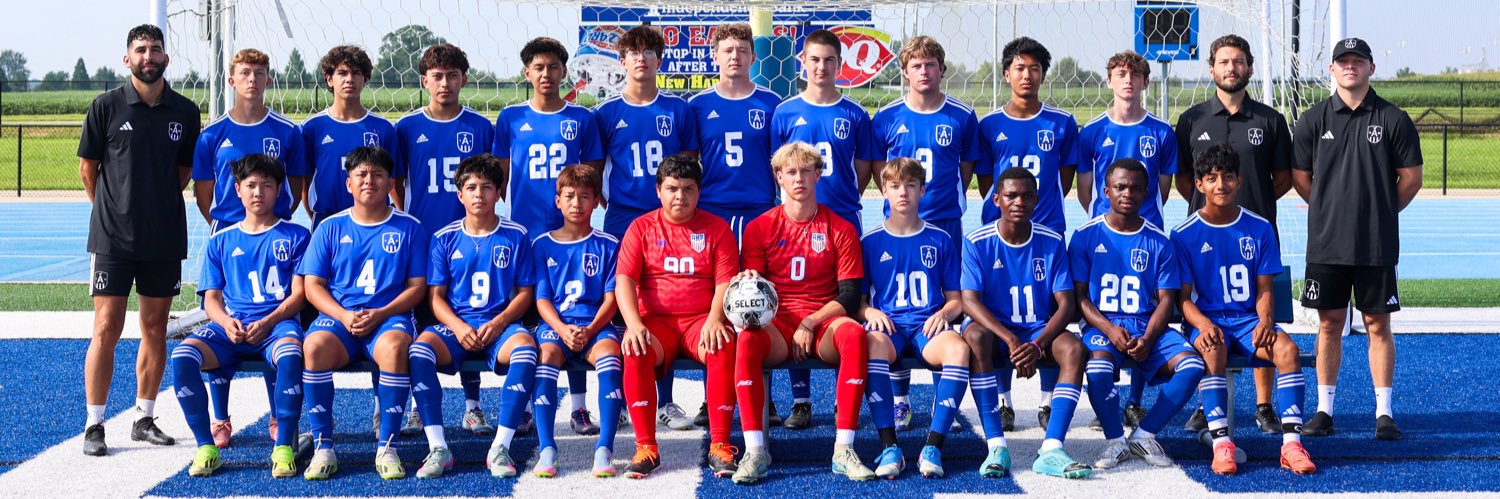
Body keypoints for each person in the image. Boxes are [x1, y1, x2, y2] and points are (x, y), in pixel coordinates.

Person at [78, 23, 202, 457]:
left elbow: (183, 173)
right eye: (140, 50)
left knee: (153, 328)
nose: (148, 56)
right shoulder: (106, 106)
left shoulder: (185, 111)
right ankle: (94, 424)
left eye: (155, 49)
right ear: (127, 58)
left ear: (166, 58)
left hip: (163, 239)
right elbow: (88, 171)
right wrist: (115, 213)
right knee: (106, 328)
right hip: (113, 241)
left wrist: (153, 208)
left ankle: (143, 417)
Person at [1291, 37, 1423, 441]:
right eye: (1342, 61)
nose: (1350, 67)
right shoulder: (1313, 119)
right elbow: (1301, 179)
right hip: (1327, 245)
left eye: (1358, 61)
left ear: (1371, 68)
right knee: (1330, 324)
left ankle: (1383, 412)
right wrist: (1333, 211)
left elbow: (1411, 179)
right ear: (1331, 70)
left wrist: (1378, 213)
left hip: (1376, 245)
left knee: (1376, 324)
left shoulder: (1394, 118)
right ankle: (1324, 410)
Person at [1173, 35, 1295, 435]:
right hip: (1205, 239)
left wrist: (1248, 210)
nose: (1231, 68)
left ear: (1249, 67)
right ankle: (1211, 408)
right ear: (1211, 69)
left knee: (1260, 320)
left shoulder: (1270, 120)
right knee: (1210, 317)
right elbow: (1185, 180)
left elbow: (1281, 178)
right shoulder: (1192, 120)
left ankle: (1263, 405)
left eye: (1238, 61)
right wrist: (1217, 205)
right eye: (1224, 61)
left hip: (1255, 237)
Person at [1172, 144, 1316, 475]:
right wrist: (1204, 325)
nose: (1220, 184)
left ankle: (1291, 444)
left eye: (1227, 177)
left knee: (1288, 351)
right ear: (1199, 186)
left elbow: (1265, 288)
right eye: (1211, 178)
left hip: (1248, 321)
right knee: (1213, 349)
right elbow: (1182, 300)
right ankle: (1222, 444)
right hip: (1207, 322)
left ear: (1238, 181)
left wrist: (1266, 320)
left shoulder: (1260, 228)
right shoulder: (1183, 234)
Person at [739, 142, 875, 482]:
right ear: (779, 177)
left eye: (805, 171)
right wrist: (747, 281)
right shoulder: (759, 228)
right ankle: (755, 452)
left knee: (855, 334)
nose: (798, 178)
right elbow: (754, 287)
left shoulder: (840, 228)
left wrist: (811, 322)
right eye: (790, 172)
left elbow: (849, 294)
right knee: (746, 339)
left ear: (818, 174)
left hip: (824, 320)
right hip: (779, 321)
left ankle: (843, 449)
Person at [492, 36, 606, 437]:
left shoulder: (582, 119)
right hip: (526, 233)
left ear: (564, 71)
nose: (546, 74)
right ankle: (523, 407)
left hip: (570, 232)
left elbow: (588, 175)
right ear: (527, 72)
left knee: (575, 310)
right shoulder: (509, 118)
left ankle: (578, 408)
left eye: (554, 66)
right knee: (528, 316)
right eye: (538, 67)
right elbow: (499, 175)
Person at [170, 154, 309, 478]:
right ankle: (206, 446)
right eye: (251, 185)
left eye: (267, 185)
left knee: (290, 354)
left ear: (279, 191)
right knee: (182, 355)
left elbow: (300, 295)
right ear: (237, 190)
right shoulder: (220, 240)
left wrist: (269, 322)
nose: (258, 192)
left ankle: (284, 446)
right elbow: (212, 300)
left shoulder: (296, 236)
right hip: (231, 328)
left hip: (277, 326)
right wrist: (224, 322)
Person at [296, 145, 428, 480]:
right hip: (341, 317)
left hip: (388, 317)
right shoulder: (329, 227)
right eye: (361, 175)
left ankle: (387, 447)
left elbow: (416, 288)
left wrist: (381, 312)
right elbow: (313, 286)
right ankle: (324, 446)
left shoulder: (409, 227)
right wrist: (342, 315)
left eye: (378, 175)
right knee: (313, 347)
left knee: (397, 348)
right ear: (349, 184)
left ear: (390, 183)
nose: (369, 180)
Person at [769, 28, 877, 429]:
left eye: (829, 60)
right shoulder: (784, 112)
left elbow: (862, 171)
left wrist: (837, 204)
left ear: (840, 65)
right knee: (796, 298)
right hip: (796, 223)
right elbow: (778, 166)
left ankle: (840, 400)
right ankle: (800, 400)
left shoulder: (854, 114)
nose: (821, 66)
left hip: (842, 219)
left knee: (841, 304)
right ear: (802, 64)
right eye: (814, 59)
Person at [593, 25, 700, 432]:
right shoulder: (606, 113)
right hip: (624, 218)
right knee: (626, 305)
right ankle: (624, 396)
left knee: (661, 303)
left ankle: (666, 401)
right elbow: (596, 168)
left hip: (669, 220)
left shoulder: (678, 110)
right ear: (622, 62)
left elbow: (685, 168)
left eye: (648, 52)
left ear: (660, 60)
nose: (640, 59)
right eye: (632, 53)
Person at [871, 35, 981, 427]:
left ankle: (941, 399)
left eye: (930, 64)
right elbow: (878, 172)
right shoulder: (885, 117)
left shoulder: (963, 116)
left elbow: (965, 170)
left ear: (941, 69)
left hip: (944, 222)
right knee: (894, 305)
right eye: (916, 65)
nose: (924, 71)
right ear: (905, 72)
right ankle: (900, 399)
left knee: (939, 309)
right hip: (898, 227)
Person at [408, 154, 537, 479]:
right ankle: (438, 447)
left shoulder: (516, 235)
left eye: (487, 187)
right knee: (419, 351)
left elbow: (525, 293)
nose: (479, 194)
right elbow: (435, 298)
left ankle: (500, 447)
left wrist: (499, 322)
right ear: (460, 195)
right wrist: (458, 325)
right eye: (471, 187)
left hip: (499, 323)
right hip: (457, 325)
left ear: (498, 192)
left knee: (526, 350)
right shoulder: (444, 237)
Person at [974, 36, 1080, 432]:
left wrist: (1039, 208)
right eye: (1020, 68)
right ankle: (1003, 402)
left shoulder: (1062, 122)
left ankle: (1048, 401)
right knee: (999, 310)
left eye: (1035, 69)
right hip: (1000, 233)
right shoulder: (989, 125)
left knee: (1050, 314)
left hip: (1047, 230)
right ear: (1006, 74)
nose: (1027, 75)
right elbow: (989, 182)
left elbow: (1063, 179)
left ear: (1043, 75)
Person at [1069, 159, 1202, 470]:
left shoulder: (1159, 241)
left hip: (1147, 323)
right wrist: (1109, 329)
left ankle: (1143, 435)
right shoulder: (1085, 236)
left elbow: (1167, 300)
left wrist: (1148, 336)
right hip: (1102, 323)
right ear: (1106, 191)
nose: (1127, 193)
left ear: (1146, 193)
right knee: (1098, 369)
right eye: (1120, 186)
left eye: (1135, 187)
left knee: (1193, 365)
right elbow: (1080, 298)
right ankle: (1115, 441)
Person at [393, 42, 496, 435]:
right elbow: (397, 184)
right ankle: (421, 407)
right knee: (422, 320)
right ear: (424, 81)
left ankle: (472, 406)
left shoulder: (480, 127)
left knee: (470, 313)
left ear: (464, 79)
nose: (445, 83)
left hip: (471, 240)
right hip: (423, 238)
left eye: (453, 75)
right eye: (437, 76)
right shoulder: (405, 128)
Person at [963, 167, 1092, 479]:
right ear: (996, 200)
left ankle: (1051, 448)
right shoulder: (977, 241)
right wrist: (1010, 340)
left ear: (1036, 200)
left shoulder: (1051, 241)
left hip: (1037, 330)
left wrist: (1037, 344)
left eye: (1026, 195)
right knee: (976, 338)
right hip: (997, 331)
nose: (1018, 201)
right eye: (1011, 195)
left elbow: (1066, 304)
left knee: (1074, 348)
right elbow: (969, 301)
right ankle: (996, 445)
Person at [615, 154, 738, 479]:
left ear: (699, 192)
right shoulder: (641, 227)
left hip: (701, 321)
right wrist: (634, 324)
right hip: (657, 323)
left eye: (687, 189)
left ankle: (720, 444)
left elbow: (725, 281)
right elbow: (624, 280)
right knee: (634, 346)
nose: (679, 196)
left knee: (724, 343)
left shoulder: (717, 228)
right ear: (659, 190)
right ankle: (646, 447)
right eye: (672, 188)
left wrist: (715, 318)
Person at [686, 23, 784, 429]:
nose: (735, 57)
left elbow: (780, 162)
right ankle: (716, 396)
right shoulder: (696, 105)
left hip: (760, 213)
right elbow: (690, 164)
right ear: (715, 56)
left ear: (754, 57)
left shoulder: (772, 102)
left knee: (761, 302)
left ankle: (765, 398)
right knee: (716, 305)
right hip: (714, 215)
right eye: (727, 50)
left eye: (742, 50)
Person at [1075, 50, 1180, 423]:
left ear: (1145, 82)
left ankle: (1134, 400)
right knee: (1108, 310)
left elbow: (1162, 189)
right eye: (1120, 74)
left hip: (1147, 236)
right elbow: (1084, 189)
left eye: (1135, 75)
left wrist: (1142, 218)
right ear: (1109, 80)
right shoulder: (1091, 131)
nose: (1128, 81)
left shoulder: (1162, 132)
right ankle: (1107, 397)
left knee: (1144, 310)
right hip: (1105, 236)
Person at [859, 157, 969, 479]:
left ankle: (933, 446)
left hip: (926, 324)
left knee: (959, 350)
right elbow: (860, 301)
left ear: (922, 190)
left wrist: (944, 314)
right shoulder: (870, 241)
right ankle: (890, 446)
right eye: (895, 186)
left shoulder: (940, 239)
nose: (903, 192)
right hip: (889, 324)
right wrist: (869, 312)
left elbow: (956, 300)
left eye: (910, 186)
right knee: (871, 346)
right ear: (884, 191)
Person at [528, 164, 626, 477]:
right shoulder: (542, 244)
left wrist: (591, 329)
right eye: (569, 196)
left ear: (596, 201)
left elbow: (612, 299)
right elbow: (542, 299)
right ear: (557, 200)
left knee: (611, 355)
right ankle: (547, 447)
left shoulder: (608, 244)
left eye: (585, 196)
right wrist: (561, 329)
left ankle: (604, 447)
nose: (577, 203)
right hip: (556, 327)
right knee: (545, 356)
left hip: (595, 326)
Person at [192, 48, 306, 231]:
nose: (252, 79)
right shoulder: (210, 135)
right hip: (227, 228)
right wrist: (224, 228)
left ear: (268, 81)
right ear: (231, 81)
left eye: (259, 73)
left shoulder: (289, 131)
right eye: (244, 73)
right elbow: (203, 193)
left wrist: (272, 216)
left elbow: (295, 188)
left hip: (274, 229)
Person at [301, 45, 399, 230]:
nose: (349, 79)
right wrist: (316, 215)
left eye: (356, 73)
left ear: (366, 79)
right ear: (330, 79)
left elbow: (392, 181)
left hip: (373, 223)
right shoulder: (312, 127)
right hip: (327, 220)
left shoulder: (383, 128)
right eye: (342, 73)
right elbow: (304, 183)